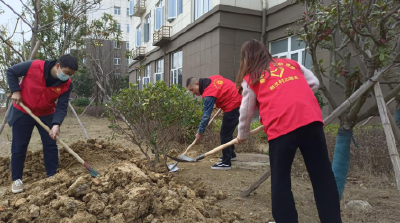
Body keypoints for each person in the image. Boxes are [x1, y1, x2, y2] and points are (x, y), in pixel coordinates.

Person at [236, 39, 342, 223]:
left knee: (280, 179)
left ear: (246, 58)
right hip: (311, 120)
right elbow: (314, 83)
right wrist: (294, 98)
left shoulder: (251, 77)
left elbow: (246, 110)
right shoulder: (290, 63)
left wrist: (242, 135)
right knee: (322, 176)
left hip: (282, 127)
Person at [6, 54, 78, 193]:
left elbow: (62, 106)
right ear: (58, 66)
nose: (68, 77)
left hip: (46, 113)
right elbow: (11, 71)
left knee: (51, 144)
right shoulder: (35, 66)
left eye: (71, 75)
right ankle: (17, 179)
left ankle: (52, 176)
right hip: (23, 110)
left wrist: (56, 124)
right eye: (67, 73)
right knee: (19, 145)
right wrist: (15, 90)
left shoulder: (67, 84)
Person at [187, 76, 242, 170]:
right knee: (227, 132)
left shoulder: (209, 93)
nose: (192, 93)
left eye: (192, 89)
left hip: (235, 103)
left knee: (225, 134)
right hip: (237, 97)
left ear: (197, 84)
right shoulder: (212, 79)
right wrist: (224, 99)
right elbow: (225, 87)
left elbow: (206, 116)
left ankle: (226, 163)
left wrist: (200, 132)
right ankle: (231, 155)